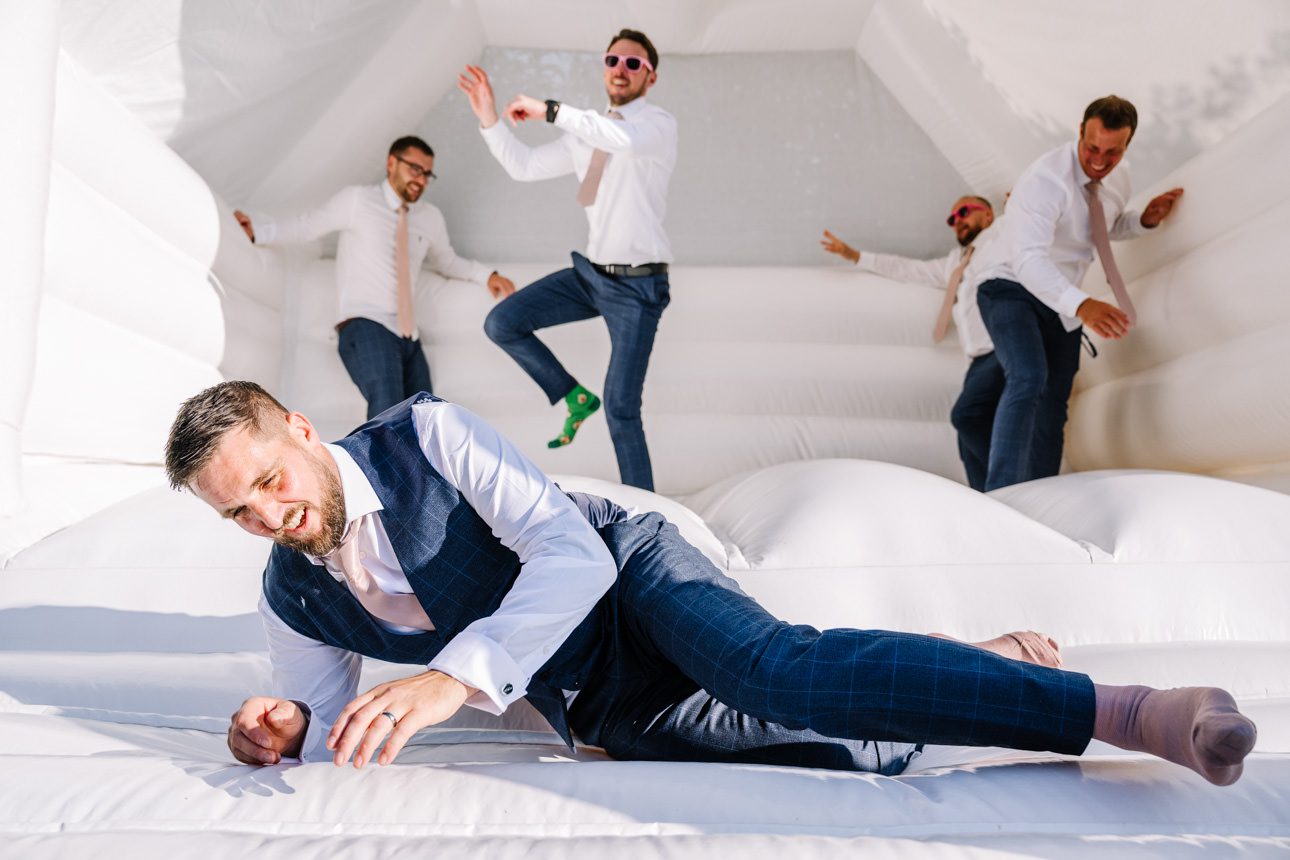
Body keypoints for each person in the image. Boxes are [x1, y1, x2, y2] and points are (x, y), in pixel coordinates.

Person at [165, 381, 1256, 786]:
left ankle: (1128, 711)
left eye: (267, 479)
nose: (267, 514)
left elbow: (570, 553)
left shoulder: (426, 433)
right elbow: (318, 724)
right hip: (595, 702)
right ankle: (989, 665)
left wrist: (455, 678)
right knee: (849, 749)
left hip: (626, 578)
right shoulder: (290, 591)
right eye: (237, 511)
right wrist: (279, 731)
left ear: (300, 429)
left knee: (778, 672)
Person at [457, 28, 676, 491]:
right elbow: (524, 166)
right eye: (613, 60)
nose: (620, 69)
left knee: (621, 408)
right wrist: (489, 119)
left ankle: (650, 514)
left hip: (638, 288)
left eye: (633, 64)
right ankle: (572, 395)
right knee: (502, 323)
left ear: (651, 77)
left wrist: (552, 111)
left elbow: (621, 139)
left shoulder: (656, 126)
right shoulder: (587, 133)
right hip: (591, 276)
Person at [968, 96, 1185, 490]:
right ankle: (1002, 496)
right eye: (1092, 147)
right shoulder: (1045, 180)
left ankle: (1043, 496)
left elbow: (1100, 227)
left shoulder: (1119, 179)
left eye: (1112, 152)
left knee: (1054, 402)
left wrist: (1143, 221)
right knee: (1028, 377)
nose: (1100, 160)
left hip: (1062, 296)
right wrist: (1082, 305)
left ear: (1127, 144)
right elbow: (1028, 260)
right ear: (1080, 131)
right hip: (1008, 286)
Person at [233, 136, 516, 420]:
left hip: (408, 336)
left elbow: (447, 261)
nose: (421, 180)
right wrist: (258, 231)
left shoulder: (430, 217)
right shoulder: (357, 200)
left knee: (429, 417)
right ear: (392, 163)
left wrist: (487, 275)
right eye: (415, 169)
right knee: (387, 410)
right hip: (365, 324)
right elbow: (308, 226)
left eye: (427, 174)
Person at [821, 196, 1001, 490]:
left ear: (989, 215)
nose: (958, 220)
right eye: (952, 218)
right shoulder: (956, 262)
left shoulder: (1000, 242)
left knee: (966, 416)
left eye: (965, 212)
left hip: (1001, 350)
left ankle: (1005, 485)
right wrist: (855, 256)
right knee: (968, 438)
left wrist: (1016, 202)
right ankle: (987, 497)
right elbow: (909, 269)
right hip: (978, 360)